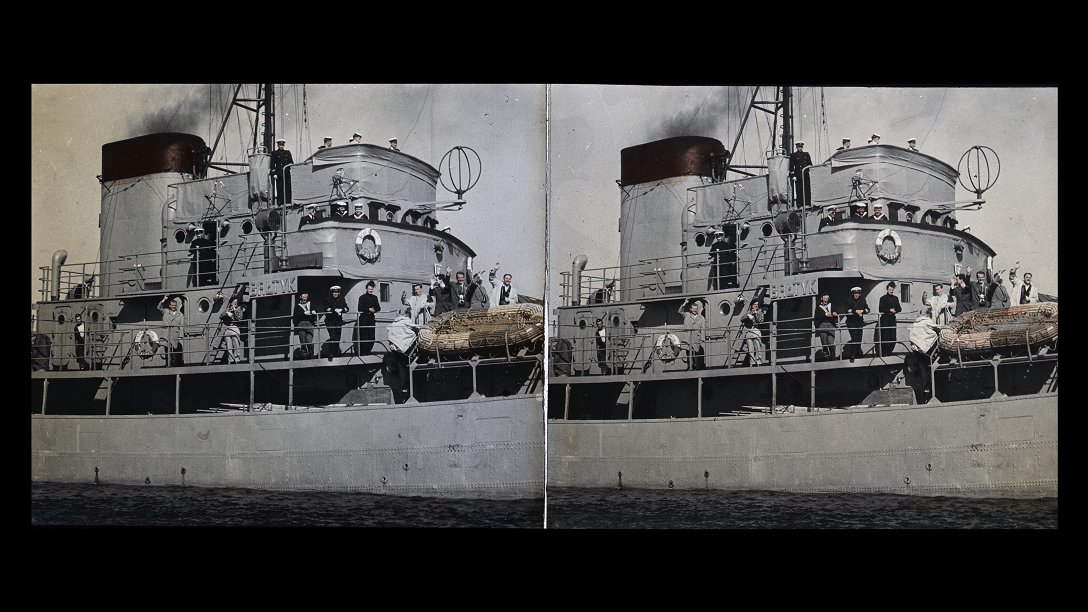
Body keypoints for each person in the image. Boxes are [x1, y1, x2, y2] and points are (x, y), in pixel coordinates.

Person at [678, 298, 706, 370]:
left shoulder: (701, 318)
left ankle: (697, 367)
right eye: (693, 309)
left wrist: (702, 338)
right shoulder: (686, 315)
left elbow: (703, 329)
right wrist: (685, 303)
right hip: (688, 338)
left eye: (696, 309)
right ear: (690, 309)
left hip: (696, 337)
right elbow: (680, 311)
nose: (694, 310)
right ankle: (690, 367)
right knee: (689, 353)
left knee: (697, 353)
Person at [158, 294, 185, 366]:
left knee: (175, 352)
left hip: (175, 335)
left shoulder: (180, 315)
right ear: (169, 306)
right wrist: (164, 299)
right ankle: (168, 364)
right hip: (166, 335)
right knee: (167, 351)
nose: (173, 307)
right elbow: (159, 307)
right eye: (172, 305)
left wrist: (181, 336)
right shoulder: (166, 311)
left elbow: (182, 326)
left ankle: (174, 365)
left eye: (175, 305)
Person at [844, 286, 869, 362]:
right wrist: (856, 311)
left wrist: (862, 311)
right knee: (854, 338)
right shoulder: (848, 301)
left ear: (860, 294)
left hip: (859, 322)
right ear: (852, 294)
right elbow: (847, 310)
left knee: (859, 338)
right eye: (854, 293)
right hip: (851, 323)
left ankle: (858, 353)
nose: (856, 295)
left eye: (857, 293)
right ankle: (852, 354)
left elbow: (868, 309)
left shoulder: (863, 300)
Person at [323, 285, 349, 358]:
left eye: (337, 292)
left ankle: (336, 353)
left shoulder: (342, 300)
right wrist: (335, 310)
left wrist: (342, 310)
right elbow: (326, 309)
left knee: (338, 337)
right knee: (333, 336)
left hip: (338, 321)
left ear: (339, 293)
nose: (335, 294)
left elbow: (347, 308)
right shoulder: (327, 299)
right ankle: (330, 353)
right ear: (331, 293)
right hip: (330, 321)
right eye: (334, 292)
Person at [357, 280, 381, 356]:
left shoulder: (375, 298)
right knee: (364, 337)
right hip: (364, 319)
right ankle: (363, 353)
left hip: (371, 319)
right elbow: (359, 308)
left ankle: (368, 351)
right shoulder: (362, 297)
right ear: (366, 289)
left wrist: (374, 310)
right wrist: (368, 309)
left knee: (372, 337)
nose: (371, 290)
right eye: (369, 289)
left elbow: (378, 308)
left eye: (372, 289)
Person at [877, 281, 901, 356]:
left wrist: (895, 310)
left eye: (892, 289)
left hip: (892, 320)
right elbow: (880, 309)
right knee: (885, 338)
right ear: (887, 289)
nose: (891, 291)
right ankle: (885, 354)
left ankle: (889, 352)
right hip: (885, 320)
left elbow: (899, 308)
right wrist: (889, 310)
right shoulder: (883, 298)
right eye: (890, 289)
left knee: (893, 338)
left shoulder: (895, 298)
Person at [813, 292, 838, 359]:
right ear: (821, 298)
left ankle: (832, 355)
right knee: (824, 342)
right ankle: (826, 356)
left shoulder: (831, 305)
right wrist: (825, 315)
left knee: (831, 341)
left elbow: (836, 312)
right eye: (824, 298)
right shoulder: (818, 307)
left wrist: (835, 313)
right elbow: (817, 317)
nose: (825, 300)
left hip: (831, 325)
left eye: (827, 298)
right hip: (822, 325)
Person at [788, 141, 813, 208]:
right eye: (799, 147)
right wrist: (793, 176)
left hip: (806, 175)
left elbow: (810, 164)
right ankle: (800, 205)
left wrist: (810, 171)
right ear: (796, 147)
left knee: (807, 189)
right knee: (799, 190)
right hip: (798, 175)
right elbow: (791, 166)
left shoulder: (806, 154)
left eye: (801, 147)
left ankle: (808, 203)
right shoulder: (793, 155)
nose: (800, 148)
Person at [740, 300, 765, 367]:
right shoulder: (748, 312)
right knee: (750, 349)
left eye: (757, 304)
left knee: (758, 347)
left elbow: (761, 321)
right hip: (749, 331)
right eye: (755, 304)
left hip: (756, 330)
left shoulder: (760, 312)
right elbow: (742, 319)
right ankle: (752, 363)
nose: (756, 305)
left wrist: (755, 315)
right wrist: (749, 316)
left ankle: (758, 362)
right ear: (752, 305)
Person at [270, 138, 293, 206]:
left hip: (287, 174)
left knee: (288, 188)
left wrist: (290, 170)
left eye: (282, 145)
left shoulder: (287, 152)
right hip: (279, 174)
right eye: (280, 145)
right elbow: (272, 164)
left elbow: (291, 162)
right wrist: (274, 173)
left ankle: (288, 202)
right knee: (280, 188)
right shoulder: (275, 153)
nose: (281, 146)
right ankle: (280, 203)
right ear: (278, 145)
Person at [293, 292, 317, 359]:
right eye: (303, 297)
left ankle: (311, 355)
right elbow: (297, 315)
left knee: (309, 340)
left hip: (309, 323)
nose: (305, 299)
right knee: (302, 341)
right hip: (301, 324)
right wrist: (305, 313)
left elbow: (315, 311)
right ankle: (305, 355)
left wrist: (313, 313)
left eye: (306, 297)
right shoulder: (297, 306)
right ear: (301, 297)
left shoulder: (311, 304)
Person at [220, 297, 244, 364]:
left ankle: (237, 360)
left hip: (234, 327)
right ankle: (230, 360)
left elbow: (239, 318)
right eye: (234, 302)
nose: (235, 304)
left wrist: (234, 311)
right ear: (231, 303)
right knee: (229, 346)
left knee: (236, 344)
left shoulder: (238, 309)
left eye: (236, 303)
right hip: (227, 328)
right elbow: (220, 316)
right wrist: (226, 314)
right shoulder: (227, 309)